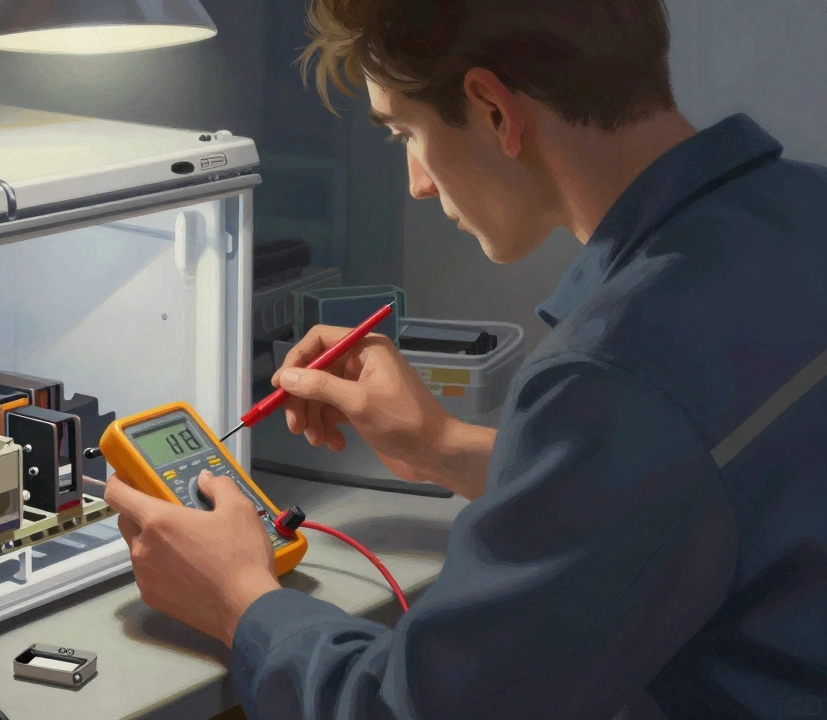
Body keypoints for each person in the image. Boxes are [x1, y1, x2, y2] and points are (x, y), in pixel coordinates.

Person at [104, 0, 827, 717]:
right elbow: (696, 485)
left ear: (492, 110)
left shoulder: (619, 372)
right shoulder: (804, 206)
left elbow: (411, 711)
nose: (418, 181)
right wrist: (441, 446)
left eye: (404, 133)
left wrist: (242, 601)